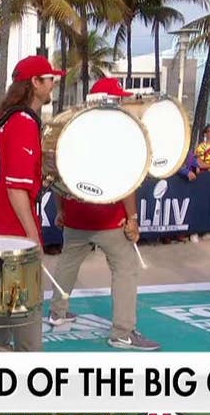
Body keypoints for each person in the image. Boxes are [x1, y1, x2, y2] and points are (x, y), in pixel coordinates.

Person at [49, 77, 160, 351]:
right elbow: (127, 181)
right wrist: (132, 218)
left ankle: (57, 313)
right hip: (109, 218)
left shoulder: (73, 129)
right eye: (119, 98)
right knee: (125, 269)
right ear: (110, 101)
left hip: (75, 213)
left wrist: (61, 210)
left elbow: (57, 175)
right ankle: (123, 331)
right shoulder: (119, 133)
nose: (123, 102)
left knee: (67, 265)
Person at [0, 55, 61, 352]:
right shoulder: (22, 122)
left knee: (1, 326)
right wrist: (32, 239)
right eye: (49, 78)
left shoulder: (2, 120)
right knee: (28, 331)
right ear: (35, 83)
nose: (53, 83)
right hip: (15, 241)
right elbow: (16, 189)